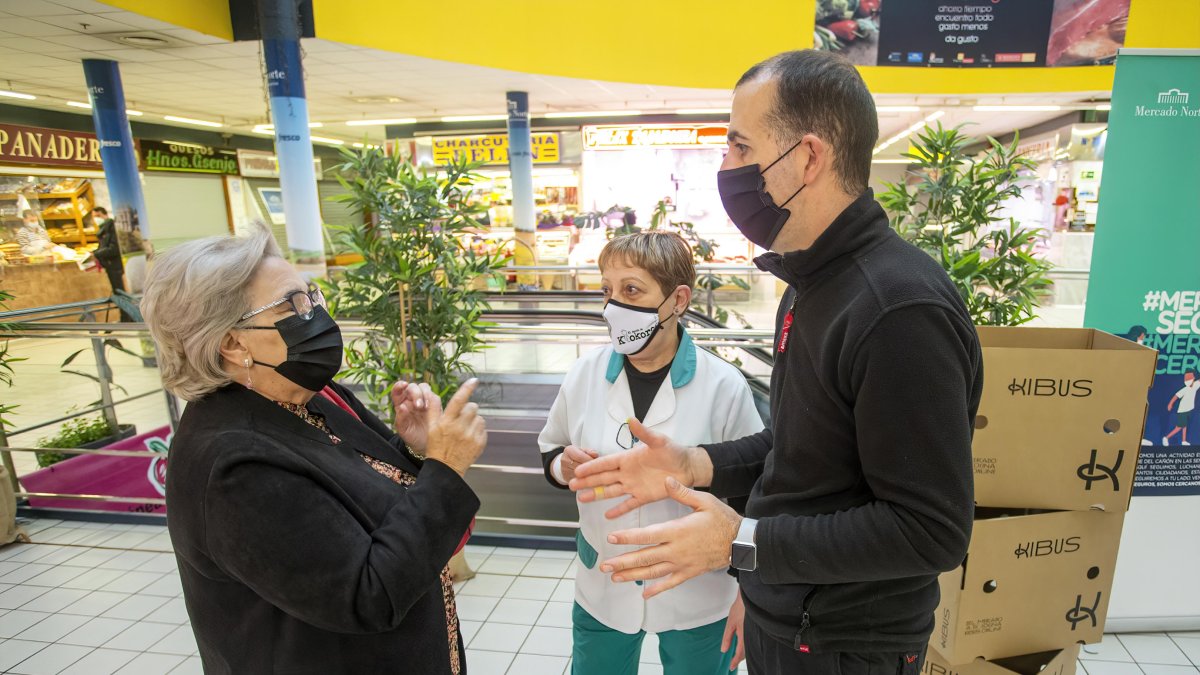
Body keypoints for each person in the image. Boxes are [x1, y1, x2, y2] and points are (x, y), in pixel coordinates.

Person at [569, 50, 981, 675]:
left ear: (809, 157)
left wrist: (741, 541)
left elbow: (930, 530)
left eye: (740, 147)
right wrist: (696, 464)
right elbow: (801, 447)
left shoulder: (897, 309)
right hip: (789, 617)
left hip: (845, 645)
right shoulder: (812, 285)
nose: (725, 168)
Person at [142, 224, 487, 674]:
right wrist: (445, 467)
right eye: (293, 305)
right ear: (231, 343)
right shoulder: (235, 467)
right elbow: (366, 596)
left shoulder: (308, 395)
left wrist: (419, 451)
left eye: (313, 296)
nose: (317, 314)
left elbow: (384, 500)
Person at [539, 231, 764, 674]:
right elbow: (551, 449)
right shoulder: (584, 374)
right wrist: (563, 466)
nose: (613, 307)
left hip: (700, 590)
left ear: (678, 300)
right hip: (604, 581)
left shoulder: (723, 386)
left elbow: (755, 495)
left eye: (632, 290)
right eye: (607, 291)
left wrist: (748, 593)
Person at [91, 206, 132, 321]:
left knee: (121, 293)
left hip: (116, 266)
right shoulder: (104, 229)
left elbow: (114, 248)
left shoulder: (111, 228)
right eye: (94, 217)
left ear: (104, 214)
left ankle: (127, 318)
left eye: (97, 216)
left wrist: (97, 254)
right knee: (118, 293)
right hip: (110, 266)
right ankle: (125, 318)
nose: (96, 219)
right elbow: (105, 246)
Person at [1164, 369, 1197, 446]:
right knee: (1179, 427)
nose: (1187, 380)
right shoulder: (1185, 389)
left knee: (1184, 426)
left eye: (1189, 378)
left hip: (1188, 409)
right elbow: (1176, 396)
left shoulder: (1196, 385)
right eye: (1186, 379)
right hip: (1182, 410)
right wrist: (1170, 404)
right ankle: (1166, 438)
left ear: (1193, 378)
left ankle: (1184, 441)